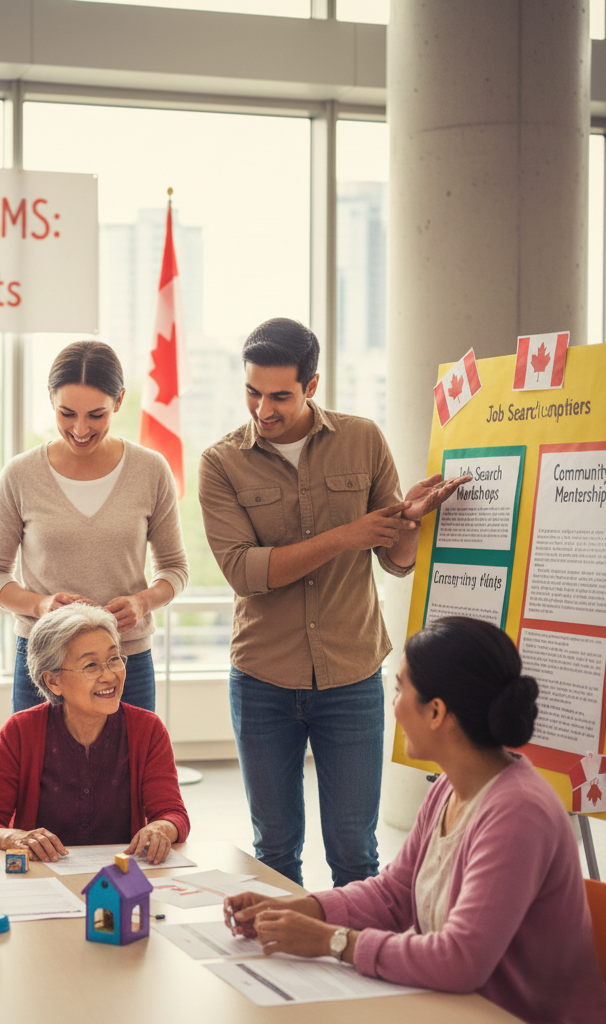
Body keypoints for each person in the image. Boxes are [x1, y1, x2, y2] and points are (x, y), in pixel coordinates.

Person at [223, 617, 606, 1024]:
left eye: (399, 690)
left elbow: (461, 960)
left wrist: (333, 941)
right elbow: (397, 891)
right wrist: (300, 910)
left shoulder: (519, 814)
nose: (394, 705)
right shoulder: (451, 786)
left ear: (437, 712)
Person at [198, 318, 468, 887]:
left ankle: (355, 967)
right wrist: (346, 535)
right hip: (263, 678)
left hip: (351, 676)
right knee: (273, 851)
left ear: (312, 385)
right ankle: (277, 971)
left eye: (279, 395)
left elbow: (395, 561)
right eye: (252, 391)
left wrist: (408, 523)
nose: (262, 409)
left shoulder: (363, 438)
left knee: (355, 853)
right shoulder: (221, 462)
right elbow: (245, 572)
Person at [0, 340, 188, 714]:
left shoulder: (151, 470)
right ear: (50, 397)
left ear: (119, 401)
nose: (80, 429)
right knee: (39, 772)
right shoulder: (20, 475)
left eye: (96, 415)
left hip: (126, 659)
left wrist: (142, 602)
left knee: (130, 771)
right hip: (45, 662)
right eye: (67, 413)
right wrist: (41, 605)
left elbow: (175, 569)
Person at [0, 603, 190, 864]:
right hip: (43, 877)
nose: (109, 675)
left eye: (114, 658)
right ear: (53, 681)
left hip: (120, 877)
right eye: (90, 665)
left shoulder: (147, 728)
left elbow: (173, 814)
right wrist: (12, 837)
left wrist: (160, 828)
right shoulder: (20, 731)